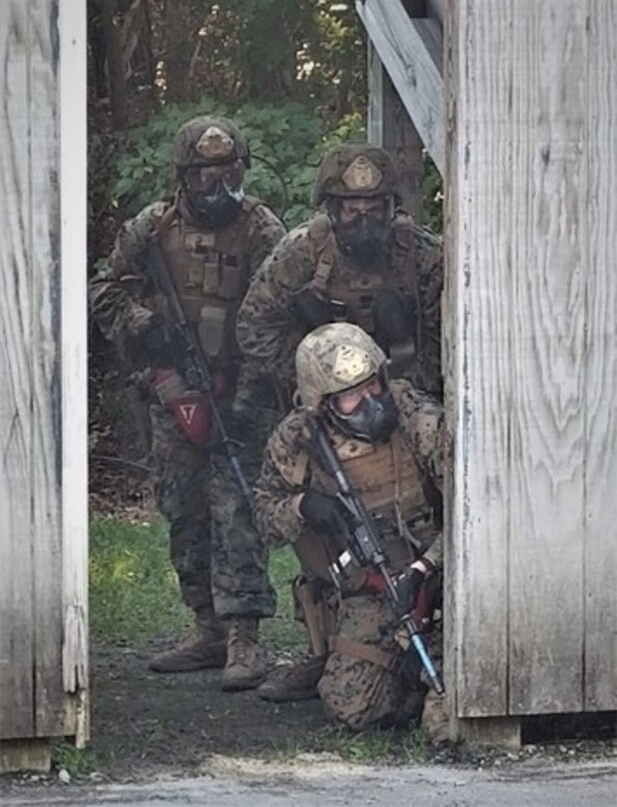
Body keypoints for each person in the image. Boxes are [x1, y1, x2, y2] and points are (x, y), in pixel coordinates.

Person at [89, 116, 286, 690]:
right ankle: (207, 628)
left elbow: (278, 308)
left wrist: (253, 390)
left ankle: (245, 635)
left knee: (239, 511)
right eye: (206, 173)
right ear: (184, 175)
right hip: (172, 388)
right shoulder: (152, 228)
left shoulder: (261, 229)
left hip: (241, 388)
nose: (220, 183)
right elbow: (105, 287)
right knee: (183, 508)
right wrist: (144, 326)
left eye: (230, 170)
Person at [252, 322, 447, 738]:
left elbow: (476, 508)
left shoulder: (420, 420)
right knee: (352, 708)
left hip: (444, 573)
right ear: (322, 404)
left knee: (444, 719)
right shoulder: (297, 439)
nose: (369, 402)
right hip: (372, 588)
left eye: (371, 385)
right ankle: (406, 678)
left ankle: (434, 660)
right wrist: (302, 505)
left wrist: (426, 568)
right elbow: (262, 514)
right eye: (349, 396)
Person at [236, 143, 443, 400]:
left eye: (374, 210)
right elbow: (255, 326)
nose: (364, 222)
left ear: (391, 209)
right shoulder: (302, 252)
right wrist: (310, 376)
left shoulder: (423, 255)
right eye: (352, 211)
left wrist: (404, 386)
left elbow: (448, 339)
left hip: (404, 393)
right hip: (323, 398)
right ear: (333, 212)